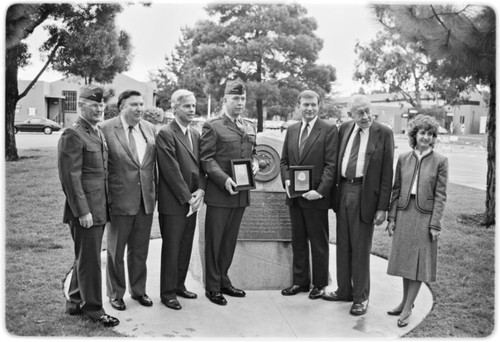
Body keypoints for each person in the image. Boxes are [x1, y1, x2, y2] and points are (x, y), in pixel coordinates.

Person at [322, 94, 394, 316]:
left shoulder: (384, 133)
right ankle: (344, 290)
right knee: (343, 244)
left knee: (360, 248)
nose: (365, 117)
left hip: (365, 194)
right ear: (350, 115)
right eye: (360, 113)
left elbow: (386, 172)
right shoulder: (344, 128)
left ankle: (360, 298)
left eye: (367, 111)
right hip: (343, 190)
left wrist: (383, 207)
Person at [58, 84, 119, 327]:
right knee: (91, 259)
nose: (99, 109)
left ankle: (74, 303)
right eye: (94, 105)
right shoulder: (73, 134)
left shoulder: (96, 132)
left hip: (99, 207)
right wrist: (82, 211)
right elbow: (70, 178)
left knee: (85, 257)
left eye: (102, 105)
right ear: (81, 106)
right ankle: (94, 309)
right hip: (86, 211)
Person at [386, 114, 448, 327]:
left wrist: (435, 223)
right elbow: (396, 189)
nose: (426, 137)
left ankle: (407, 307)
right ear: (415, 134)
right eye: (422, 132)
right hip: (404, 212)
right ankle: (405, 302)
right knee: (405, 262)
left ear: (433, 138)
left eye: (430, 134)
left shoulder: (440, 161)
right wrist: (392, 217)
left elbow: (441, 195)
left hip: (425, 216)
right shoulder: (404, 157)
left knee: (419, 264)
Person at [200, 79, 257, 306]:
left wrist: (256, 164)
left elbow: (255, 152)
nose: (240, 102)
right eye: (236, 98)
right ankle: (212, 287)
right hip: (221, 194)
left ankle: (224, 280)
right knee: (215, 242)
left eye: (243, 98)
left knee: (229, 242)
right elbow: (206, 159)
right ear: (225, 100)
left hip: (241, 194)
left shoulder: (249, 126)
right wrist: (223, 179)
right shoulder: (213, 126)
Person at [100, 90, 157, 311]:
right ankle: (116, 293)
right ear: (122, 106)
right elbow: (102, 168)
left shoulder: (149, 129)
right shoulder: (105, 129)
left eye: (142, 104)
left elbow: (152, 166)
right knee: (116, 252)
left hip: (146, 201)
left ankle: (138, 290)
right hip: (119, 201)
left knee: (140, 250)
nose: (140, 108)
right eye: (134, 104)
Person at [279, 90, 338, 300]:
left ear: (319, 105)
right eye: (305, 105)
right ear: (299, 106)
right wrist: (286, 180)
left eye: (313, 104)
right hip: (295, 197)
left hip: (316, 198)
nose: (310, 108)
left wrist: (320, 192)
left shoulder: (329, 130)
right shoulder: (292, 129)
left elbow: (332, 165)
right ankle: (300, 282)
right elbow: (284, 161)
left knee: (319, 243)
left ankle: (319, 284)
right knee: (298, 241)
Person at [156, 89, 206, 310]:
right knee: (172, 247)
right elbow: (171, 171)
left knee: (185, 245)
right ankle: (167, 293)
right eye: (187, 106)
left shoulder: (195, 134)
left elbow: (201, 167)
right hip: (174, 203)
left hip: (192, 201)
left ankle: (179, 285)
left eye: (193, 106)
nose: (192, 110)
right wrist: (188, 198)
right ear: (174, 108)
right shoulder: (166, 133)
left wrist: (201, 191)